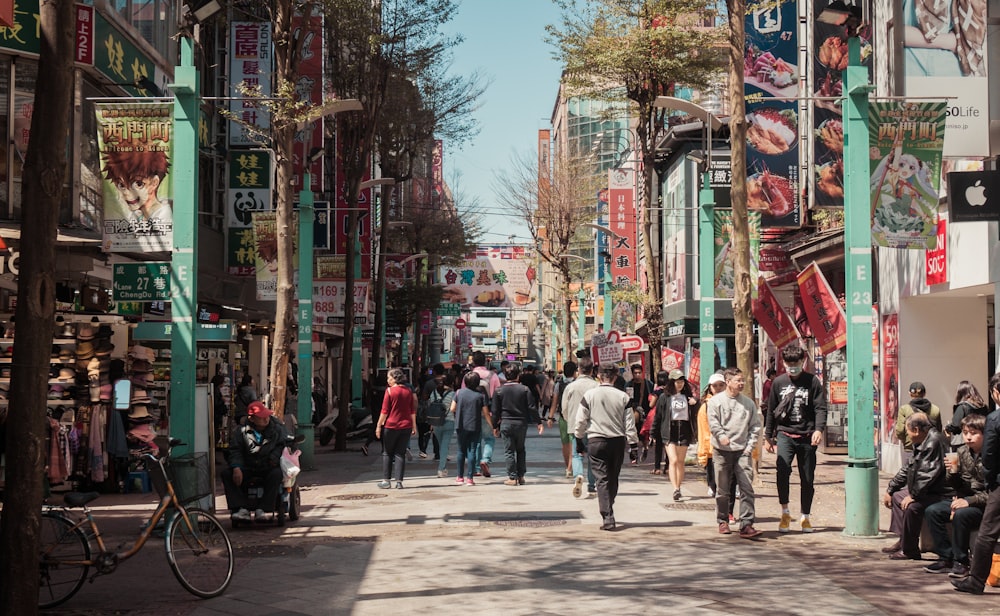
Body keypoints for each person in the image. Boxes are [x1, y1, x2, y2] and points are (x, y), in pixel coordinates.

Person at [764, 344, 828, 533]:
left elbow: (820, 407)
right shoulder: (778, 383)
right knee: (782, 472)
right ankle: (785, 512)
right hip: (785, 434)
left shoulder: (813, 381)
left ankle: (805, 516)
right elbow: (771, 411)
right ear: (784, 363)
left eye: (796, 363)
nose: (792, 367)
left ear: (803, 361)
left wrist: (818, 429)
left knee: (807, 478)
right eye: (789, 363)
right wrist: (768, 436)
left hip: (807, 436)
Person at [573, 363, 637, 530]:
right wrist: (633, 445)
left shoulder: (590, 395)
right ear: (615, 377)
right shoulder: (623, 397)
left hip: (596, 440)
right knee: (613, 477)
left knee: (602, 479)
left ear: (599, 376)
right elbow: (629, 423)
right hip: (617, 441)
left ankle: (607, 516)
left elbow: (580, 420)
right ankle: (609, 507)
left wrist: (579, 440)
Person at [881, 412, 951, 560]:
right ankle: (903, 540)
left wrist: (913, 496)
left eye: (908, 431)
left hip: (939, 492)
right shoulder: (922, 441)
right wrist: (891, 488)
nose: (907, 434)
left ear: (917, 430)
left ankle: (910, 549)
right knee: (897, 496)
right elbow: (908, 468)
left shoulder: (934, 442)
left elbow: (928, 474)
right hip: (927, 490)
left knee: (912, 507)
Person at [923, 413, 987, 577]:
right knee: (933, 511)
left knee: (962, 514)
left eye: (973, 433)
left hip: (987, 504)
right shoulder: (962, 452)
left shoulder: (992, 455)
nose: (968, 437)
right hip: (967, 498)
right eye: (965, 433)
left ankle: (962, 562)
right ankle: (946, 556)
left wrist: (968, 501)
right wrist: (952, 472)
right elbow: (959, 485)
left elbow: (994, 491)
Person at [953, 372, 1000, 594]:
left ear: (996, 393)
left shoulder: (995, 419)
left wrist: (991, 482)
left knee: (987, 532)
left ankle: (976, 580)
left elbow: (989, 456)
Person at [707, 367, 763, 538]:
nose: (741, 383)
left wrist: (749, 447)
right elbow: (713, 423)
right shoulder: (716, 402)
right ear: (728, 382)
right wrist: (721, 436)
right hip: (721, 451)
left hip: (742, 452)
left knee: (747, 488)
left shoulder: (748, 403)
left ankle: (746, 524)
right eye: (738, 380)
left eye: (742, 380)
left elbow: (755, 426)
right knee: (723, 490)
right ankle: (723, 520)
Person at [222, 401, 288, 523]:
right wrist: (236, 467)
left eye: (266, 416)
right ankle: (240, 508)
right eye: (261, 417)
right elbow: (235, 450)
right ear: (251, 419)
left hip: (268, 466)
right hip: (248, 467)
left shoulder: (277, 429)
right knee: (227, 473)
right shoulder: (241, 432)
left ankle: (264, 508)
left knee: (277, 474)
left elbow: (283, 445)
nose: (265, 419)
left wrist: (274, 458)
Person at [491, 363, 544, 486]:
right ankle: (521, 476)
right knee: (521, 449)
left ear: (505, 375)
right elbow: (532, 408)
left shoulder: (499, 391)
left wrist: (494, 426)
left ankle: (512, 477)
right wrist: (539, 422)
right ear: (518, 375)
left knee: (509, 451)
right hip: (521, 423)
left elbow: (495, 411)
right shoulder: (524, 389)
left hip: (506, 423)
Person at [653, 369, 698, 501]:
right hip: (669, 431)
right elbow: (658, 416)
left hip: (684, 431)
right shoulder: (664, 397)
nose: (680, 384)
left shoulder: (688, 397)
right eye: (677, 382)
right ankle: (675, 489)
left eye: (682, 382)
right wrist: (653, 433)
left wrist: (695, 403)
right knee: (672, 460)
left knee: (680, 461)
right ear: (671, 382)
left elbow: (695, 412)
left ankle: (679, 486)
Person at [102, 148, 173, 226]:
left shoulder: (163, 215)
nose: (127, 193)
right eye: (121, 185)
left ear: (154, 183)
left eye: (139, 184)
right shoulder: (135, 214)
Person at [698, 374, 736, 517]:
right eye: (715, 386)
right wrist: (704, 453)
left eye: (721, 385)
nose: (719, 388)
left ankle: (728, 512)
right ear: (710, 388)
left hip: (732, 448)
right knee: (718, 483)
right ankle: (721, 509)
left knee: (731, 481)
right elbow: (703, 430)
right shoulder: (706, 407)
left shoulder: (734, 402)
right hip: (713, 450)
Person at [562, 357, 600, 498]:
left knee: (577, 454)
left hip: (575, 424)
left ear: (578, 370)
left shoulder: (570, 386)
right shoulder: (597, 386)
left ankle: (578, 475)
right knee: (592, 456)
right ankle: (591, 486)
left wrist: (569, 419)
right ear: (591, 370)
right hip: (593, 426)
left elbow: (564, 407)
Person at [375, 368, 418, 489]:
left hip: (391, 425)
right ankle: (399, 481)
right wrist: (414, 426)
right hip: (406, 426)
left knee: (387, 453)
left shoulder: (389, 392)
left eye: (389, 378)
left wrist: (379, 425)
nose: (388, 380)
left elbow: (384, 411)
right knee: (400, 453)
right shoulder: (408, 391)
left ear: (395, 379)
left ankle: (386, 480)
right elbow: (411, 410)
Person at [451, 372, 492, 485]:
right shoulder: (480, 395)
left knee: (461, 451)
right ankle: (470, 478)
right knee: (472, 450)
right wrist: (491, 425)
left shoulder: (459, 393)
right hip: (475, 425)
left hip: (461, 425)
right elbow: (486, 413)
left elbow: (452, 408)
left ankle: (459, 477)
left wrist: (461, 410)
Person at [465, 351, 501, 477]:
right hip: (489, 412)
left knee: (475, 441)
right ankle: (485, 460)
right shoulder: (493, 376)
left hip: (471, 413)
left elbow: (464, 394)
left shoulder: (468, 376)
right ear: (485, 361)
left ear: (473, 362)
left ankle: (476, 469)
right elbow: (497, 395)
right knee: (489, 439)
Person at [895, 381, 942, 463]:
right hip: (930, 447)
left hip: (910, 448)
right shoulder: (935, 409)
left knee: (909, 472)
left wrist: (906, 441)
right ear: (924, 393)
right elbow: (938, 429)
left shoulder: (904, 409)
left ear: (909, 393)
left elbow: (900, 430)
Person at [547, 361, 577, 478]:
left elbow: (554, 402)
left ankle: (568, 467)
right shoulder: (577, 384)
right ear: (575, 372)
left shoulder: (559, 385)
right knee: (572, 443)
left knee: (565, 444)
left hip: (563, 417)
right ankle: (570, 467)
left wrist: (550, 417)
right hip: (575, 416)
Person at [626, 363, 655, 465]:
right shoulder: (629, 385)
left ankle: (645, 448)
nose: (637, 375)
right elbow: (627, 399)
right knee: (633, 433)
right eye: (635, 373)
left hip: (646, 412)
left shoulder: (648, 384)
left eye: (639, 373)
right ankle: (634, 454)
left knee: (644, 434)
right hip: (633, 413)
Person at [945, 380, 987, 449]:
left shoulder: (962, 407)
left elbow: (956, 425)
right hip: (981, 440)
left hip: (963, 442)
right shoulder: (983, 406)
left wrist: (947, 428)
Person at [642, 371, 669, 475]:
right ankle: (667, 467)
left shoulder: (657, 391)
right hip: (668, 418)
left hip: (657, 417)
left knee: (658, 445)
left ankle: (657, 468)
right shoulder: (670, 391)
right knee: (667, 444)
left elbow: (651, 404)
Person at [418, 363, 446, 459]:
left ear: (434, 371)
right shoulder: (448, 381)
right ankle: (439, 452)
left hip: (432, 410)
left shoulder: (429, 383)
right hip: (445, 410)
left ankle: (425, 450)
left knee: (430, 430)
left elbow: (424, 397)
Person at [433, 373, 458, 478]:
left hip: (436, 422)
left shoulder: (434, 393)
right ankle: (441, 468)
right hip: (449, 421)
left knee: (441, 445)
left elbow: (431, 405)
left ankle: (442, 467)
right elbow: (454, 408)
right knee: (444, 446)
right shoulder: (453, 394)